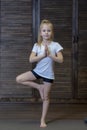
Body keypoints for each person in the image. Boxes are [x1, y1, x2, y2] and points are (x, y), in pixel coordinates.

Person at [16, 19, 63, 127]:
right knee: (19, 79)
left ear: (52, 32)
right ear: (41, 33)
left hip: (48, 75)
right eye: (44, 30)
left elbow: (61, 60)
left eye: (49, 30)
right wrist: (43, 55)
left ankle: (42, 120)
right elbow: (31, 60)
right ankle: (39, 87)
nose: (46, 32)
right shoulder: (37, 45)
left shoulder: (56, 45)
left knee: (45, 98)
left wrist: (50, 55)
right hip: (37, 71)